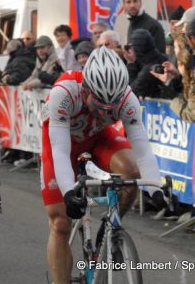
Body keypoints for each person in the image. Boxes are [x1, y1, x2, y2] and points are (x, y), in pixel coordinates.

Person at [41, 47, 166, 284]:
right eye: (99, 106)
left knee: (131, 172)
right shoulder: (64, 93)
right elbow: (59, 151)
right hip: (62, 143)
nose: (104, 112)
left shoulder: (126, 98)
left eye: (111, 109)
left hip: (99, 138)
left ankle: (111, 227)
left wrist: (155, 188)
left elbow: (141, 148)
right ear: (86, 89)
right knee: (60, 223)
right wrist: (68, 193)